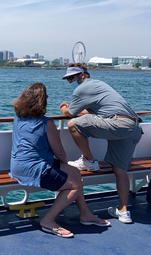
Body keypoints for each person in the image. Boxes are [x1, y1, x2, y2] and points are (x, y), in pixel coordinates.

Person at [10, 83, 109, 238]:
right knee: (74, 186)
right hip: (34, 168)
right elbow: (60, 152)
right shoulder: (46, 123)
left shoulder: (18, 117)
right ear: (42, 102)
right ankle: (48, 220)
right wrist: (63, 161)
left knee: (75, 172)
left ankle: (85, 214)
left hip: (18, 165)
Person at [59, 63, 143, 224]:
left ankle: (89, 161)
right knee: (120, 169)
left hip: (117, 124)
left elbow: (71, 114)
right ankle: (123, 211)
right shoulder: (100, 85)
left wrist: (64, 108)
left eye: (72, 77)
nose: (70, 81)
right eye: (68, 79)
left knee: (73, 124)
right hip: (133, 127)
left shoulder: (81, 89)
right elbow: (93, 112)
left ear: (82, 75)